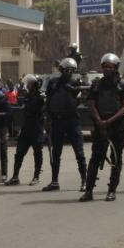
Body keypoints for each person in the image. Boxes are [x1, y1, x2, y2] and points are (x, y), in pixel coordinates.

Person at [79, 54, 124, 202]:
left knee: (116, 158)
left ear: (115, 68)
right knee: (95, 158)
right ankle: (88, 191)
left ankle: (112, 190)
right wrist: (99, 121)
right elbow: (91, 103)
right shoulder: (97, 84)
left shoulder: (122, 84)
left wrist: (109, 121)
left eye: (110, 67)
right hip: (100, 126)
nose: (107, 69)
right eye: (105, 67)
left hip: (117, 126)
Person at [43, 58, 87, 192]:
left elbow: (81, 93)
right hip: (57, 120)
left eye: (71, 70)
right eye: (67, 70)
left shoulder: (76, 82)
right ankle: (54, 181)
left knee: (79, 152)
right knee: (56, 153)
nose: (69, 72)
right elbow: (48, 101)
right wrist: (47, 119)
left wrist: (75, 88)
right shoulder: (53, 82)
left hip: (72, 120)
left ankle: (85, 181)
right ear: (61, 69)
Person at [5, 75, 45, 186]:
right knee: (19, 153)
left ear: (35, 85)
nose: (27, 85)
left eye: (30, 83)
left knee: (37, 153)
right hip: (26, 128)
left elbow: (43, 110)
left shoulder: (41, 96)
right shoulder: (27, 95)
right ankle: (15, 177)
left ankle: (36, 177)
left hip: (36, 128)